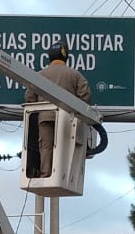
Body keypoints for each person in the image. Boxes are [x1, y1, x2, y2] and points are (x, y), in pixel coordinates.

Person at [24, 41, 91, 179]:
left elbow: (29, 97)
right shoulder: (75, 75)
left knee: (46, 147)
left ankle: (46, 175)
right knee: (64, 147)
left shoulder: (39, 75)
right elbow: (85, 97)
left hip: (45, 118)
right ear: (66, 57)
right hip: (67, 119)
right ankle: (62, 176)